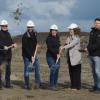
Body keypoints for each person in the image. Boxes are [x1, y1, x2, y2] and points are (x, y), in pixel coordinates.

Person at [61, 23, 82, 91]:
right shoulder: (69, 37)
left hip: (76, 58)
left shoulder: (77, 38)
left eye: (71, 29)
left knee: (76, 72)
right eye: (69, 29)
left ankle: (77, 86)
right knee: (71, 72)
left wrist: (63, 47)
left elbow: (71, 45)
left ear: (74, 30)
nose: (70, 30)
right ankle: (73, 85)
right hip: (70, 58)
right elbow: (67, 43)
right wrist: (63, 45)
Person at [22, 20, 41, 90]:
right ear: (27, 27)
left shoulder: (34, 34)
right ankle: (27, 85)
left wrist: (37, 45)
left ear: (33, 27)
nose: (30, 28)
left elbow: (35, 43)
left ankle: (37, 83)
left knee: (37, 69)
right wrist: (31, 56)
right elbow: (26, 48)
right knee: (27, 70)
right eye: (29, 27)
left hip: (34, 54)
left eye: (31, 27)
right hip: (26, 55)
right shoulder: (24, 36)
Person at [0, 20, 17, 89]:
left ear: (7, 26)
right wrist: (3, 46)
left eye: (5, 26)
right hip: (1, 55)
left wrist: (13, 44)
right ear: (1, 26)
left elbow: (10, 42)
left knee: (8, 70)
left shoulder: (8, 34)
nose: (4, 27)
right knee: (0, 70)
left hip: (8, 55)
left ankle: (7, 84)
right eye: (3, 26)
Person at [86, 18, 100, 92]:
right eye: (96, 23)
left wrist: (89, 49)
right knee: (93, 72)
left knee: (98, 71)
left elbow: (98, 45)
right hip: (91, 55)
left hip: (97, 55)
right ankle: (95, 85)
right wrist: (87, 48)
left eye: (98, 23)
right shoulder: (92, 32)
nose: (96, 24)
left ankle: (99, 87)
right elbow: (90, 43)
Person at [46, 24, 60, 91]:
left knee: (57, 70)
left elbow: (58, 46)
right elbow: (50, 48)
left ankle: (55, 84)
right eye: (52, 30)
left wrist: (61, 49)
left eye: (55, 30)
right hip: (50, 57)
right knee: (53, 69)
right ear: (50, 31)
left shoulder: (57, 38)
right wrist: (56, 53)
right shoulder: (48, 39)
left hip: (57, 57)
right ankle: (51, 85)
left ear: (57, 31)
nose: (54, 32)